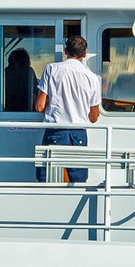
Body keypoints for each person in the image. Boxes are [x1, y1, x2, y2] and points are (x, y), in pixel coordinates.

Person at [35, 33, 101, 183]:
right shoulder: (92, 78)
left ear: (66, 51)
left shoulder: (51, 69)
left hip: (55, 130)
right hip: (78, 132)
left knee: (46, 179)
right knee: (77, 180)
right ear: (84, 54)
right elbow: (93, 117)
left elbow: (39, 106)